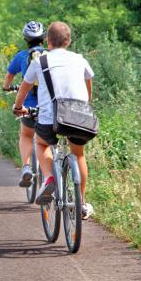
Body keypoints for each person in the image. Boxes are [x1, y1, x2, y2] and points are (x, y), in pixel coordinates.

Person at [12, 21, 95, 219]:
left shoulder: (39, 62)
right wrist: (86, 105)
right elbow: (88, 86)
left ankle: (49, 178)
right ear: (69, 41)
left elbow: (24, 89)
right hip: (78, 116)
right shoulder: (80, 59)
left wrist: (18, 108)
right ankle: (81, 202)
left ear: (48, 41)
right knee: (79, 155)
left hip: (49, 118)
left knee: (41, 144)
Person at [3, 21, 46, 188]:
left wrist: (7, 87)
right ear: (43, 38)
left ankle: (27, 167)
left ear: (25, 39)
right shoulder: (51, 55)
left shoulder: (21, 56)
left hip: (28, 105)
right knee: (48, 140)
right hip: (48, 105)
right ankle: (51, 173)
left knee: (26, 135)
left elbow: (9, 76)